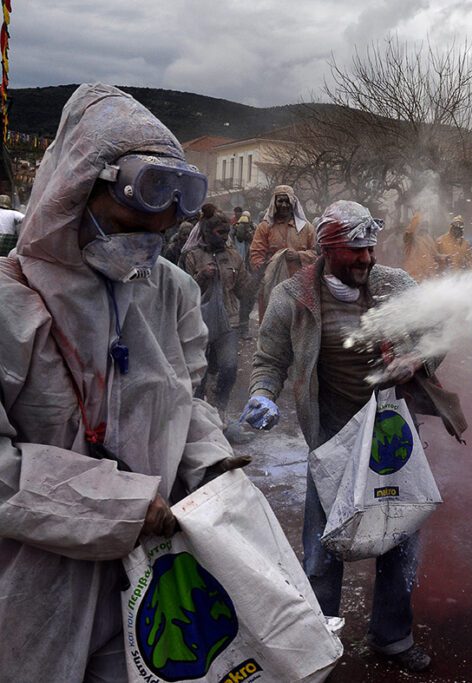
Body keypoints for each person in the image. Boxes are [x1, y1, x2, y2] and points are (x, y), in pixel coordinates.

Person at [0, 83, 245, 681]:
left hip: (153, 573)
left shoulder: (170, 291)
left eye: (164, 224)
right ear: (76, 190)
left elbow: (187, 404)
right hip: (37, 584)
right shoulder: (9, 305)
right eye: (134, 215)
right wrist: (121, 507)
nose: (152, 235)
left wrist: (211, 465)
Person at [243, 200, 464, 673]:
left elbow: (439, 332)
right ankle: (319, 641)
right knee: (323, 548)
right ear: (326, 249)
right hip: (330, 439)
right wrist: (263, 393)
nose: (365, 259)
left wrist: (417, 361)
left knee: (401, 540)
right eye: (354, 251)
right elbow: (269, 360)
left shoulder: (396, 285)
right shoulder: (293, 295)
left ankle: (392, 637)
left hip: (392, 438)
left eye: (369, 248)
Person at [181, 211, 252, 444]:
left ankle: (220, 411)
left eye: (226, 233)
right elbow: (182, 291)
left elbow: (243, 289)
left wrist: (255, 285)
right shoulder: (191, 256)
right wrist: (201, 276)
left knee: (229, 367)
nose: (223, 237)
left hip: (228, 321)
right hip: (197, 321)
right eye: (219, 233)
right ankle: (199, 421)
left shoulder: (233, 256)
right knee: (198, 373)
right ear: (207, 232)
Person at [249, 185, 317, 320]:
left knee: (298, 323)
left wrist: (299, 255)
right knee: (271, 323)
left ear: (293, 202)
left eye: (287, 201)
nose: (284, 205)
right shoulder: (265, 226)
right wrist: (266, 272)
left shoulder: (306, 227)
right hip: (272, 285)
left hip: (300, 284)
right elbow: (256, 254)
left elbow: (316, 254)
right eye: (280, 201)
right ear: (274, 202)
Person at [402, 212, 441, 281]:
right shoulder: (411, 239)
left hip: (428, 275)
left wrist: (444, 257)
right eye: (422, 225)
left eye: (426, 225)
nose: (424, 228)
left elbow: (435, 254)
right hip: (414, 275)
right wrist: (416, 218)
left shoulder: (429, 238)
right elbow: (409, 232)